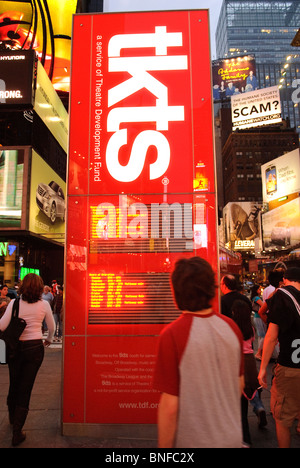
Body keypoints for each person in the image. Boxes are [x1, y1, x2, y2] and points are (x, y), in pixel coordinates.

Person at [153, 257, 244, 448]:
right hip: (233, 437)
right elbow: (239, 383)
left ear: (176, 291)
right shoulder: (231, 328)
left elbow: (170, 407)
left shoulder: (172, 335)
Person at [0, 273, 55, 447]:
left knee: (14, 383)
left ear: (23, 286)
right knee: (26, 387)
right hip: (34, 349)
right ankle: (17, 432)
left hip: (15, 349)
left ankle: (11, 416)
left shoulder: (14, 303)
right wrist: (49, 340)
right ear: (40, 288)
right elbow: (51, 327)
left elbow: (1, 326)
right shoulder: (44, 304)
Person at [258, 267, 300, 448]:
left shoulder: (281, 296)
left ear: (285, 279)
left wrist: (262, 369)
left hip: (290, 366)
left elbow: (271, 336)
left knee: (282, 418)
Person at [232, 299, 267, 447]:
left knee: (241, 407)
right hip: (251, 364)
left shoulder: (233, 329)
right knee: (252, 390)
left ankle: (245, 439)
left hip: (239, 363)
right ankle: (259, 407)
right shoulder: (251, 328)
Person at [251, 284, 266, 360]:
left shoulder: (255, 297)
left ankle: (260, 352)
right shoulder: (256, 298)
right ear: (256, 290)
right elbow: (263, 306)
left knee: (261, 335)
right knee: (263, 335)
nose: (260, 291)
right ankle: (258, 353)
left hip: (257, 317)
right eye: (259, 289)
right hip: (258, 317)